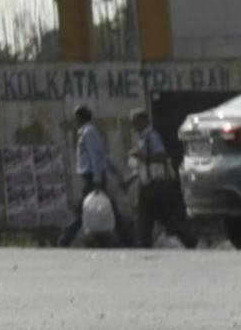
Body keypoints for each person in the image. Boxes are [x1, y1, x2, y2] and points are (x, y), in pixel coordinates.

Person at [66, 104, 121, 247]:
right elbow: (104, 156)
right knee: (109, 208)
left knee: (83, 210)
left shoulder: (88, 132)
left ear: (80, 117)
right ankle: (124, 237)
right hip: (93, 176)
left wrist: (96, 179)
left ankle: (64, 241)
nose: (74, 121)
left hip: (92, 177)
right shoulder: (90, 132)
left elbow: (94, 157)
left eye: (76, 117)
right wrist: (119, 175)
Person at [132, 113, 189, 247]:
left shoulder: (152, 136)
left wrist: (142, 156)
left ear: (143, 120)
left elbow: (161, 156)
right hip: (147, 185)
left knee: (157, 216)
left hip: (155, 185)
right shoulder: (142, 138)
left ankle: (188, 239)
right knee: (154, 216)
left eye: (135, 121)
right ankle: (144, 243)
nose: (133, 126)